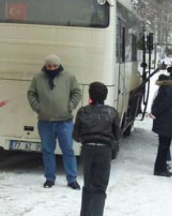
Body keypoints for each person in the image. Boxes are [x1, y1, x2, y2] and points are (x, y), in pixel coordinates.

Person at [27, 54, 82, 189]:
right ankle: (50, 178)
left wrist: (70, 106)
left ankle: (72, 179)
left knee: (68, 150)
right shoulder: (38, 78)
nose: (52, 69)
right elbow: (31, 93)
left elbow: (77, 92)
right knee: (47, 151)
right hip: (45, 121)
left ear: (59, 65)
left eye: (54, 66)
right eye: (49, 66)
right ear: (45, 66)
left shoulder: (69, 77)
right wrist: (38, 108)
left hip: (65, 121)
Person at [73, 81, 120, 216]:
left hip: (88, 149)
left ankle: (85, 213)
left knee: (89, 185)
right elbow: (117, 135)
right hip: (104, 150)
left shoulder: (83, 111)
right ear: (105, 96)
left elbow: (76, 135)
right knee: (100, 186)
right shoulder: (112, 112)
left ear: (90, 95)